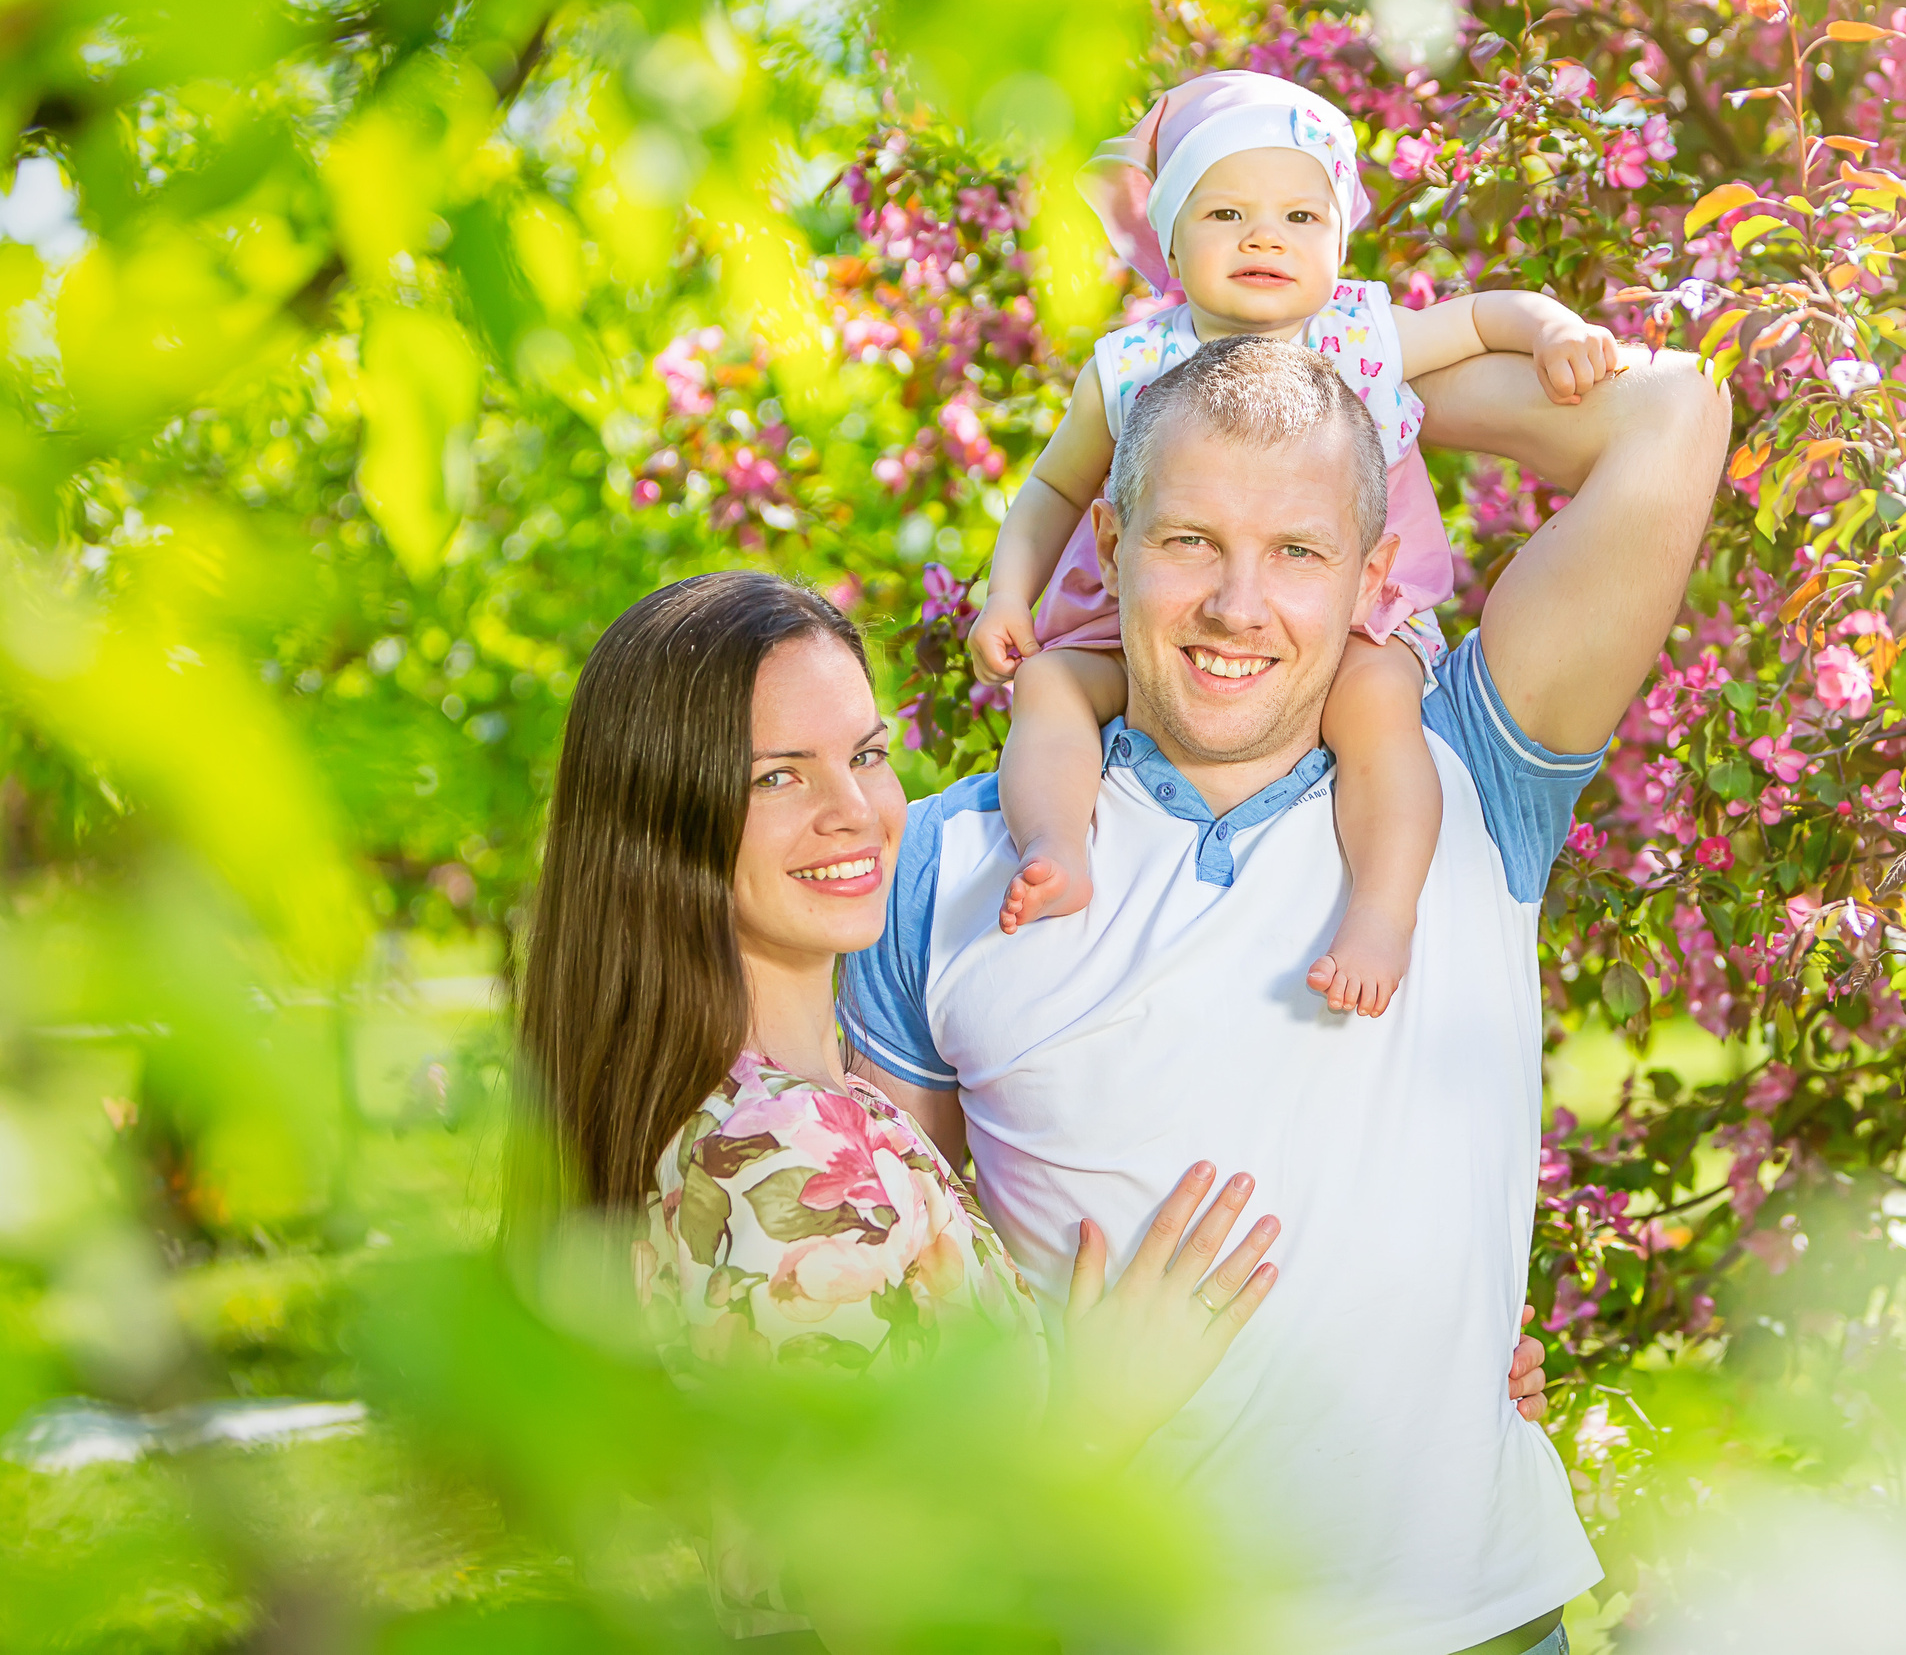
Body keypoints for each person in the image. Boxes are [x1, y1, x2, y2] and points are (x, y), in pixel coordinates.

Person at [847, 336, 1731, 1653]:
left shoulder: (1465, 780)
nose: (1237, 605)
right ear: (1113, 535)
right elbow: (886, 1328)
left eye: (1301, 551)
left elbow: (1674, 408)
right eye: (1190, 538)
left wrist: (1336, 378)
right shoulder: (939, 865)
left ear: (1377, 574)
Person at [508, 571, 1550, 1643]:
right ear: (659, 808)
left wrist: (1421, 1355)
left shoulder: (772, 1112)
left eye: (865, 755)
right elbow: (879, 1589)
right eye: (776, 776)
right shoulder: (791, 1153)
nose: (855, 811)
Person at [967, 69, 1621, 1019]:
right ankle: (1057, 845)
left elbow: (1483, 316)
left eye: (1301, 218)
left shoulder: (1358, 336)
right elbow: (1054, 488)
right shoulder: (1132, 365)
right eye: (1226, 212)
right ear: (1172, 241)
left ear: (1337, 239)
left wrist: (1556, 329)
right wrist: (1006, 594)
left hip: (1344, 620)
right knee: (1050, 690)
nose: (1265, 237)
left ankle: (1384, 911)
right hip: (1142, 615)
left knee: (1382, 718)